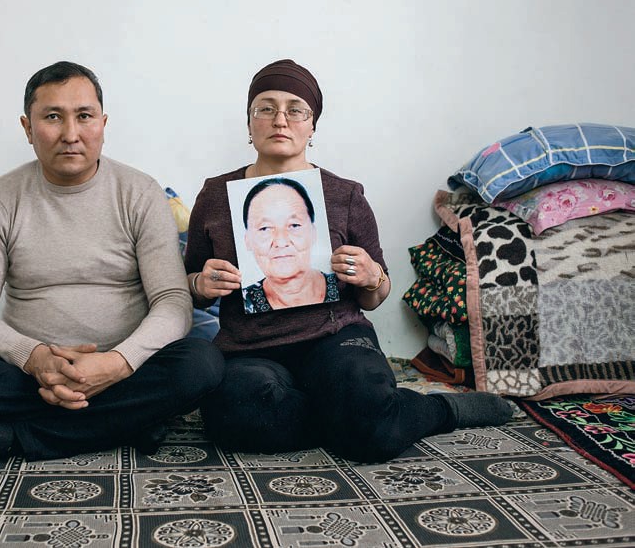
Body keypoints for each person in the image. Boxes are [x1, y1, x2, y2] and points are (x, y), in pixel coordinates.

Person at [184, 59, 512, 463]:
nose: (280, 119)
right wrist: (200, 283)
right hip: (250, 349)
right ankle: (360, 415)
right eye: (266, 108)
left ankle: (440, 409)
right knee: (235, 416)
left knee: (371, 430)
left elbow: (375, 296)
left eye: (295, 110)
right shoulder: (216, 196)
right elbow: (191, 287)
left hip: (335, 338)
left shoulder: (345, 195)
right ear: (249, 123)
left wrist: (372, 276)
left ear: (312, 126)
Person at [0, 61, 224, 469]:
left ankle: (17, 436)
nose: (71, 134)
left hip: (128, 371)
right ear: (27, 128)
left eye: (84, 116)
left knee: (202, 363)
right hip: (29, 376)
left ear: (103, 124)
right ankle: (126, 422)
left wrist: (116, 363)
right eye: (53, 117)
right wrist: (37, 358)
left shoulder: (139, 192)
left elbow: (172, 300)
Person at [240, 176, 338, 313]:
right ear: (247, 241)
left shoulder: (340, 283)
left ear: (313, 233)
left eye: (294, 225)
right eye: (265, 228)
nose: (281, 242)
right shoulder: (242, 300)